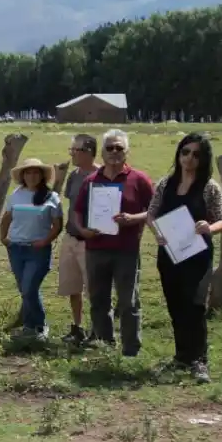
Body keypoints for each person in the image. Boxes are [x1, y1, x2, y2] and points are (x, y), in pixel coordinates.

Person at [148, 133, 222, 383]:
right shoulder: (165, 184)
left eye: (196, 154)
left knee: (194, 306)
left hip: (198, 256)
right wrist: (157, 233)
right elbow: (151, 214)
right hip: (169, 254)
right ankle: (181, 356)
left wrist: (209, 227)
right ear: (179, 153)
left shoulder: (210, 187)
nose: (189, 158)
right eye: (185, 152)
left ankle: (199, 361)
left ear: (203, 159)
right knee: (175, 304)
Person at [73, 129, 154, 357]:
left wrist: (133, 218)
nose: (114, 152)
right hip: (96, 250)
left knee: (128, 302)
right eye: (110, 148)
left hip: (126, 251)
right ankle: (105, 345)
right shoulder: (91, 181)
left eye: (119, 148)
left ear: (127, 151)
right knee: (98, 300)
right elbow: (77, 211)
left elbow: (154, 210)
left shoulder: (139, 179)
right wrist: (83, 230)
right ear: (102, 152)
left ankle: (131, 350)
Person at [0, 158, 63, 340]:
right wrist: (3, 237)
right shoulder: (16, 195)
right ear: (22, 176)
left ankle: (40, 326)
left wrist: (45, 241)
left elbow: (58, 225)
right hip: (16, 249)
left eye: (36, 172)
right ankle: (29, 327)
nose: (32, 176)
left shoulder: (51, 197)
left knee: (28, 289)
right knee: (25, 290)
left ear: (42, 176)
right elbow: (6, 217)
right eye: (28, 172)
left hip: (38, 251)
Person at [58, 134, 101, 344]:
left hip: (92, 242)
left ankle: (97, 330)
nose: (72, 154)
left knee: (94, 289)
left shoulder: (102, 176)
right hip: (71, 238)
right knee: (73, 287)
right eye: (71, 150)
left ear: (89, 152)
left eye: (75, 150)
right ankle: (77, 327)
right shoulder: (74, 175)